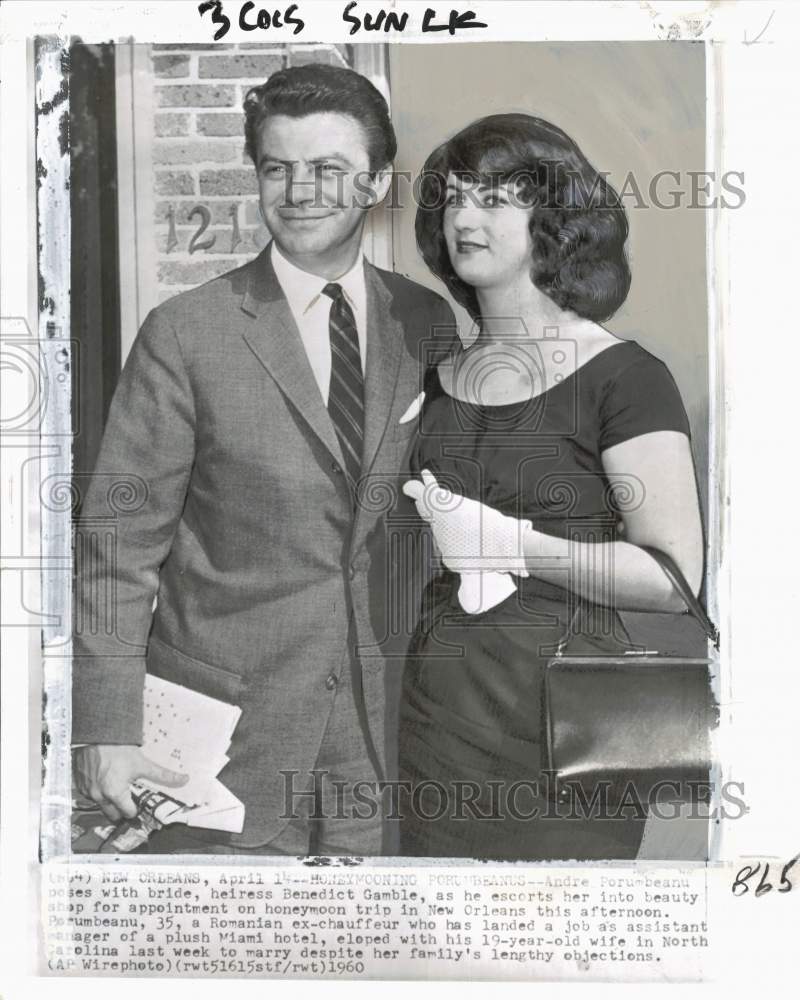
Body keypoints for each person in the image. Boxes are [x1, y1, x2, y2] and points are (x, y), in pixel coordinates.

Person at [71, 63, 456, 856]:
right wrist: (107, 728)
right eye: (278, 169)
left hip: (382, 739)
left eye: (328, 169)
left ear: (377, 183)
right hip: (221, 747)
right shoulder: (186, 332)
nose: (300, 191)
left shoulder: (425, 321)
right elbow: (116, 547)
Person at [398, 113, 705, 861]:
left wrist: (510, 544)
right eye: (453, 198)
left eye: (493, 200)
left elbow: (673, 580)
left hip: (566, 726)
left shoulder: (626, 377)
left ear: (554, 222)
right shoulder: (430, 377)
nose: (463, 218)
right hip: (435, 721)